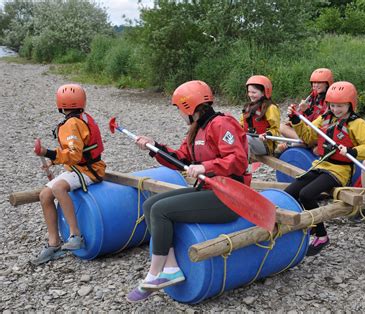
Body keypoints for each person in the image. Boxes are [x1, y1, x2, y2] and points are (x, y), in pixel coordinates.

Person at [126, 80, 250, 302]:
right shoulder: (196, 130)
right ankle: (171, 267)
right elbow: (180, 159)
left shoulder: (221, 124)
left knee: (161, 210)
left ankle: (154, 274)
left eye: (178, 109)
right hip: (208, 191)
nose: (179, 114)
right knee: (150, 205)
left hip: (229, 197)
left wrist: (206, 167)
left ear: (188, 106)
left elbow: (238, 160)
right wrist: (155, 148)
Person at [284, 82, 365, 256]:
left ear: (350, 104)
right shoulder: (324, 118)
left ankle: (321, 235)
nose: (336, 109)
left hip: (339, 170)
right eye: (333, 105)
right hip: (320, 165)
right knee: (290, 192)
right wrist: (296, 120)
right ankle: (303, 226)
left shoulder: (357, 123)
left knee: (306, 194)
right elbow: (308, 136)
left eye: (340, 106)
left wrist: (353, 151)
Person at [32, 84, 106, 265]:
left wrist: (48, 152)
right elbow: (74, 151)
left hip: (90, 171)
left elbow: (74, 155)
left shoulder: (71, 124)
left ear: (60, 105)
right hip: (80, 168)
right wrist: (54, 159)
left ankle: (75, 235)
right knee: (45, 195)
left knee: (58, 187)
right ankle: (53, 243)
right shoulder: (82, 118)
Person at [275, 68, 332, 155]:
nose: (315, 85)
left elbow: (322, 123)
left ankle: (291, 145)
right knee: (282, 127)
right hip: (307, 132)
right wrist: (293, 117)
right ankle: (304, 144)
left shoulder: (330, 101)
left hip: (319, 134)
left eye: (319, 82)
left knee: (315, 150)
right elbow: (302, 117)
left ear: (327, 84)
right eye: (313, 82)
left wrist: (308, 111)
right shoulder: (312, 96)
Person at [240, 75, 281, 156]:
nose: (250, 95)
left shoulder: (271, 108)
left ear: (264, 92)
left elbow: (277, 130)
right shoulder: (248, 107)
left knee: (245, 139)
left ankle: (242, 166)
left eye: (254, 92)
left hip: (266, 144)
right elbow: (241, 125)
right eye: (249, 92)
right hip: (251, 139)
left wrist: (267, 134)